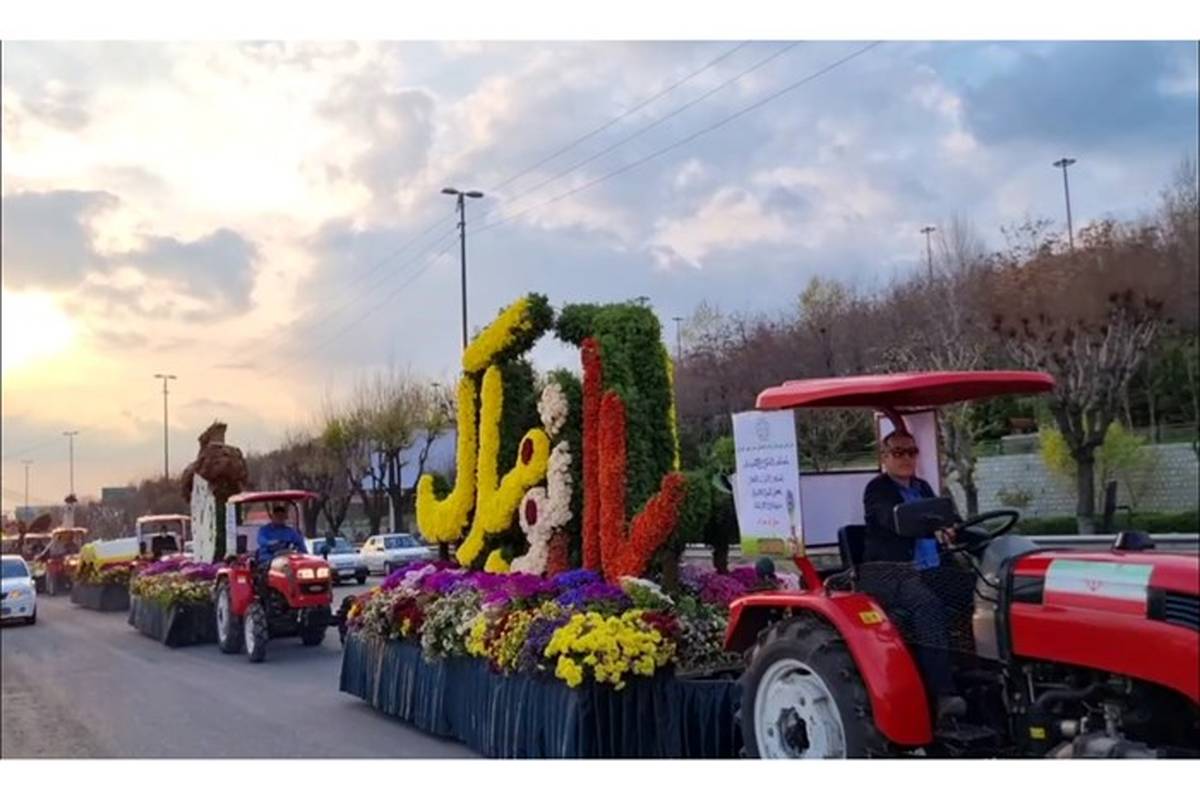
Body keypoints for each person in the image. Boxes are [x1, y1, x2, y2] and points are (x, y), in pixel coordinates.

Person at [859, 430, 968, 723]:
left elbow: (948, 516)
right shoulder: (877, 490)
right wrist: (929, 525)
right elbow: (892, 519)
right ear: (884, 457)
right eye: (898, 452)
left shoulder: (923, 487)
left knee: (983, 591)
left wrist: (954, 527)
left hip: (931, 569)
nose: (907, 458)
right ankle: (943, 694)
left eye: (912, 452)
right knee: (927, 606)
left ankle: (982, 671)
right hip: (889, 571)